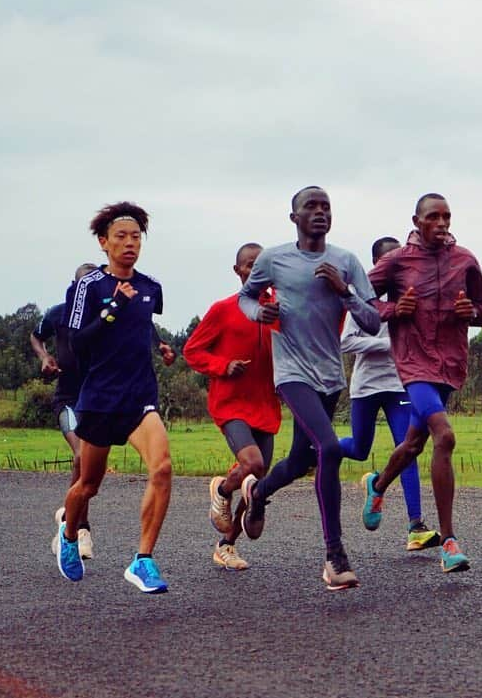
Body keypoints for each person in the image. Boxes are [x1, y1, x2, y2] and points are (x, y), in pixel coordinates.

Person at [237, 186, 380, 591]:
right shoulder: (274, 259)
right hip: (291, 373)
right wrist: (259, 313)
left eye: (326, 207)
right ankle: (335, 556)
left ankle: (259, 493)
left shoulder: (346, 262)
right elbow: (246, 297)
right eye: (311, 207)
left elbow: (371, 321)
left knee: (301, 461)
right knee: (330, 449)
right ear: (294, 217)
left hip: (329, 375)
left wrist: (344, 290)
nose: (320, 213)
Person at [360, 193, 482, 574]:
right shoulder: (398, 260)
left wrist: (474, 313)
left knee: (414, 443)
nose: (442, 223)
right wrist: (390, 310)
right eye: (433, 217)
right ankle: (449, 541)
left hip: (449, 364)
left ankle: (378, 485)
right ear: (416, 221)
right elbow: (359, 299)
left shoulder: (465, 259)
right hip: (413, 363)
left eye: (447, 216)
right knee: (444, 437)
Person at [55, 201, 176, 594]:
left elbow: (142, 327)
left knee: (162, 469)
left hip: (139, 395)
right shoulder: (87, 287)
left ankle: (143, 560)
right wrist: (113, 308)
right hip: (100, 397)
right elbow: (75, 344)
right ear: (103, 243)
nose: (129, 243)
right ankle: (70, 534)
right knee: (88, 484)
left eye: (136, 237)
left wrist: (161, 345)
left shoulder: (151, 287)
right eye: (121, 237)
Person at [183, 242, 280, 571]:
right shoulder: (223, 309)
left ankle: (226, 545)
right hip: (231, 404)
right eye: (250, 265)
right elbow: (192, 351)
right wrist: (224, 366)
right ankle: (224, 488)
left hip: (266, 405)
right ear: (238, 271)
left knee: (260, 483)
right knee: (252, 463)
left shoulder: (278, 310)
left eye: (262, 266)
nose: (256, 271)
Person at [338, 237, 439, 552]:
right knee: (358, 447)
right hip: (367, 386)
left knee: (408, 449)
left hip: (400, 385)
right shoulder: (362, 300)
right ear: (379, 265)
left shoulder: (413, 296)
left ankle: (416, 526)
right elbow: (346, 342)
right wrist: (389, 345)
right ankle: (321, 448)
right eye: (393, 261)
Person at [32, 262, 98, 559]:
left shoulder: (106, 317)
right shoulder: (58, 313)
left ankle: (70, 521)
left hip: (97, 401)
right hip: (68, 398)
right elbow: (36, 335)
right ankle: (78, 529)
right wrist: (45, 357)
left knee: (89, 468)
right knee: (81, 456)